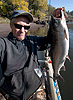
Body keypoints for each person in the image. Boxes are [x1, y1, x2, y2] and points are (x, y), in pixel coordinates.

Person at [0, 8, 63, 100]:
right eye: (18, 26)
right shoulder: (3, 44)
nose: (22, 30)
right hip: (12, 94)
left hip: (37, 90)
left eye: (26, 27)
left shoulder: (32, 40)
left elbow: (50, 41)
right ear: (11, 25)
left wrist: (53, 21)